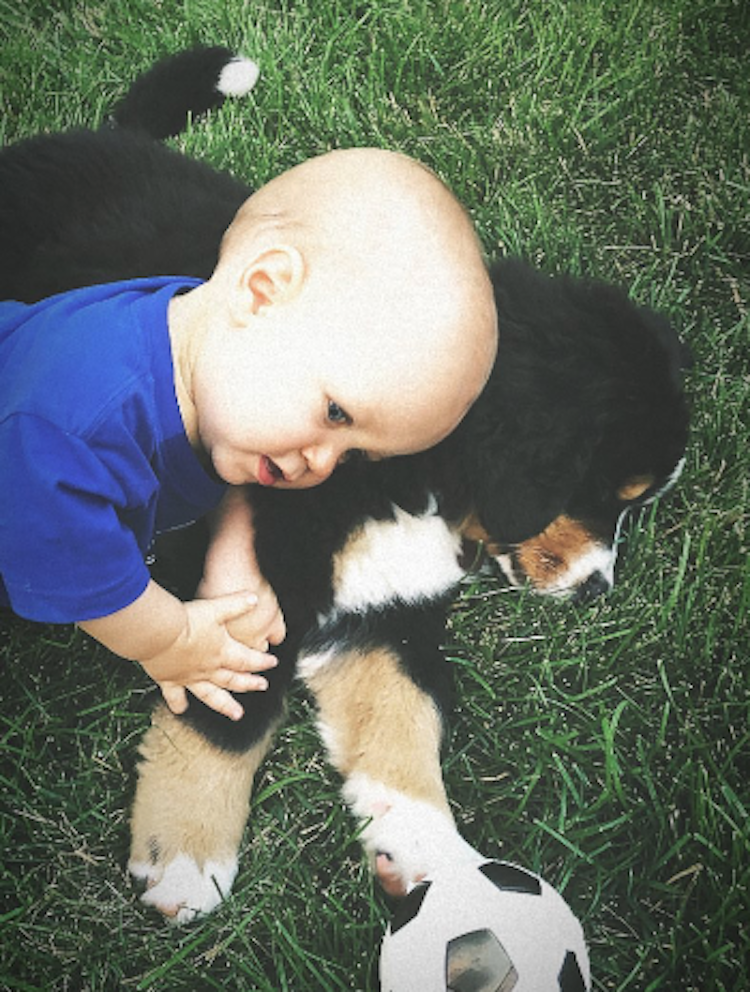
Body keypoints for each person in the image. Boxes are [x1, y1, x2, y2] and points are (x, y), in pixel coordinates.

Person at [0, 147, 497, 720]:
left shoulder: (207, 351)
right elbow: (72, 561)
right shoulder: (70, 435)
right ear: (261, 292)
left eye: (355, 453)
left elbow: (215, 464)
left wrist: (231, 552)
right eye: (336, 413)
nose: (324, 463)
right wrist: (170, 640)